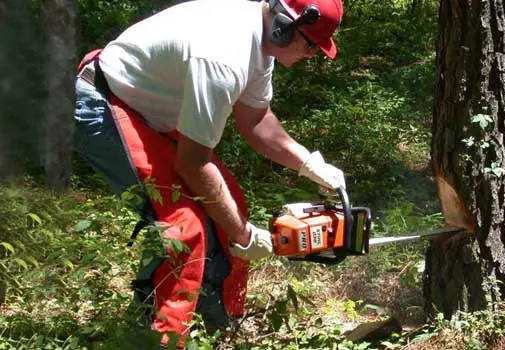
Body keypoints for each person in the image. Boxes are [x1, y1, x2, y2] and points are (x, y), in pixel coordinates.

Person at [72, 0, 345, 346]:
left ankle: (217, 327)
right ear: (283, 26)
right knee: (183, 230)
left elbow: (255, 120)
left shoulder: (259, 45)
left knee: (230, 208)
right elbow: (193, 164)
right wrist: (244, 235)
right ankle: (154, 340)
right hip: (105, 100)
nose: (311, 55)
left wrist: (308, 163)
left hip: (153, 109)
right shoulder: (224, 55)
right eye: (310, 45)